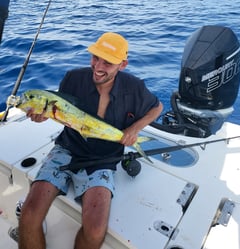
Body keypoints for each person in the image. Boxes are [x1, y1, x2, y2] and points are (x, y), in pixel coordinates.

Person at [18, 32, 163, 249]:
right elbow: (57, 113)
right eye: (95, 58)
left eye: (108, 62)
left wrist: (134, 129)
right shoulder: (72, 78)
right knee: (28, 214)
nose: (98, 66)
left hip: (103, 158)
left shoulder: (134, 87)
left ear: (122, 65)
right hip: (67, 149)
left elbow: (157, 108)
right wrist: (39, 117)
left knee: (95, 231)